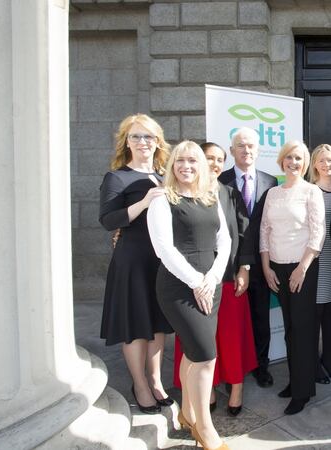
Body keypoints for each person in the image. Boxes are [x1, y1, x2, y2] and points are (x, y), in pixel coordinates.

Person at [147, 141, 230, 450]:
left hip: (210, 284)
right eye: (180, 160)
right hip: (179, 287)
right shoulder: (162, 200)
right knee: (206, 356)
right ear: (172, 165)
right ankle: (205, 429)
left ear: (202, 166)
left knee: (194, 353)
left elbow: (224, 240)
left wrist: (213, 279)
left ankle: (187, 412)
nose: (186, 166)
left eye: (193, 161)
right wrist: (197, 282)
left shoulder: (210, 196)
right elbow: (164, 250)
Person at [171, 143, 257, 416]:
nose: (215, 164)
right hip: (192, 280)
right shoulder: (180, 194)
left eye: (220, 160)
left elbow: (244, 233)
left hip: (228, 277)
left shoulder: (229, 193)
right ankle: (206, 389)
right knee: (200, 338)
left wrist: (244, 268)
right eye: (209, 158)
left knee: (231, 337)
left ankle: (236, 387)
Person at [99, 113, 174, 414]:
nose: (143, 142)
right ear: (126, 142)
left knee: (157, 323)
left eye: (148, 136)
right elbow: (108, 220)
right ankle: (140, 384)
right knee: (134, 324)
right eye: (136, 136)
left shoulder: (166, 175)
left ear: (158, 142)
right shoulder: (117, 177)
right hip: (132, 259)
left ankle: (155, 380)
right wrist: (144, 202)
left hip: (161, 259)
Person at [259, 140, 325, 415]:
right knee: (289, 328)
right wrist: (266, 267)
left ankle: (302, 391)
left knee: (302, 329)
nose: (293, 162)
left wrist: (302, 268)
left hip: (303, 269)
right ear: (281, 161)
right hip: (276, 267)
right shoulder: (272, 193)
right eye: (289, 157)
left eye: (298, 158)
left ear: (305, 163)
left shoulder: (311, 191)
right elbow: (264, 230)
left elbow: (318, 232)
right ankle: (296, 380)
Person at [218, 127, 278, 388]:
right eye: (241, 145)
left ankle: (261, 366)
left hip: (262, 263)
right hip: (230, 264)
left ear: (258, 150)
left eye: (251, 145)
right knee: (233, 323)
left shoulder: (270, 181)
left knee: (261, 319)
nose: (246, 150)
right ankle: (233, 368)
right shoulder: (220, 180)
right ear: (232, 151)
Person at [308, 144, 331, 384]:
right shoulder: (309, 190)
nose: (326, 164)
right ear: (314, 164)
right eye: (321, 160)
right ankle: (313, 362)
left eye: (330, 160)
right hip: (316, 257)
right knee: (316, 311)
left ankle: (328, 359)